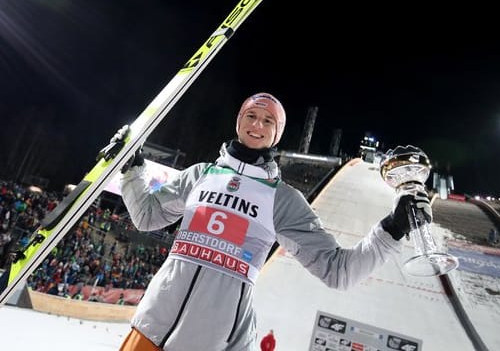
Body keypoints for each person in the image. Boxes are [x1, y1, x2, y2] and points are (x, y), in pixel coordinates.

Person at [100, 92, 432, 351]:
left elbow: (338, 271)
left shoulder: (282, 199)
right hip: (149, 326)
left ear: (277, 133)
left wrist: (393, 228)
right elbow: (146, 215)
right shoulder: (200, 176)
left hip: (209, 342)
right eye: (251, 116)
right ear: (238, 121)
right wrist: (132, 168)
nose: (257, 125)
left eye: (268, 121)